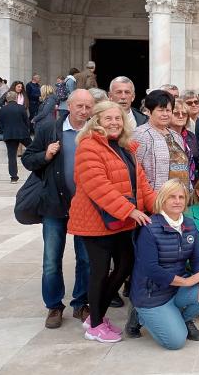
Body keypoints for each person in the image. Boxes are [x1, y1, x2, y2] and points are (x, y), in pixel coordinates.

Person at [67, 100, 157, 343]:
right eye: (108, 119)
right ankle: (95, 324)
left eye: (118, 118)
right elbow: (98, 186)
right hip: (96, 223)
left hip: (119, 222)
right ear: (97, 121)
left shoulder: (125, 147)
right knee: (99, 272)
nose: (114, 123)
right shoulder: (88, 146)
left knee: (125, 264)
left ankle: (96, 314)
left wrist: (161, 206)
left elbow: (141, 185)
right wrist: (130, 211)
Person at [22, 89, 95, 328]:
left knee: (85, 259)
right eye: (79, 106)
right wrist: (46, 154)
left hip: (85, 207)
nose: (83, 111)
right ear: (69, 106)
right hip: (54, 205)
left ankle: (81, 303)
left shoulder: (95, 132)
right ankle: (54, 306)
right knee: (51, 259)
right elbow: (28, 160)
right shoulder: (48, 129)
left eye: (88, 107)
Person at [131, 179, 199, 349]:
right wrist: (187, 281)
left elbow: (197, 259)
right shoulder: (149, 228)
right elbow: (151, 269)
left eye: (181, 197)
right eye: (172, 197)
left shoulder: (189, 224)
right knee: (175, 342)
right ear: (162, 199)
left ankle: (182, 320)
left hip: (175, 289)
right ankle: (139, 315)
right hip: (152, 294)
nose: (177, 201)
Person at [133, 90, 188, 191]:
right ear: (149, 111)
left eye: (168, 110)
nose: (165, 114)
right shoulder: (141, 134)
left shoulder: (176, 136)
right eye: (161, 110)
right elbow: (135, 169)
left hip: (179, 194)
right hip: (155, 196)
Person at [169, 100, 199, 187]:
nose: (181, 116)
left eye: (184, 114)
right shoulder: (164, 136)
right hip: (172, 186)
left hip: (193, 185)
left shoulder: (191, 137)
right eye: (176, 113)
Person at [0, 91, 31, 183]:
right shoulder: (21, 108)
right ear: (16, 98)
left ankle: (13, 177)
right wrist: (27, 130)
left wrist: (4, 132)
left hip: (9, 134)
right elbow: (26, 121)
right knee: (34, 149)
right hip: (22, 133)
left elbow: (2, 123)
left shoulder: (3, 109)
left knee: (12, 156)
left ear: (7, 99)